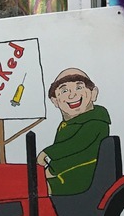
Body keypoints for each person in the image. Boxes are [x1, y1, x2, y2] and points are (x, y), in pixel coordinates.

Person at [37, 68, 110, 196]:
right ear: (55, 100)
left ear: (93, 93)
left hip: (82, 176)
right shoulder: (65, 126)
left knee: (37, 189)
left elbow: (76, 145)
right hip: (61, 172)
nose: (72, 95)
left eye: (79, 87)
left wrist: (48, 154)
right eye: (64, 90)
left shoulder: (96, 121)